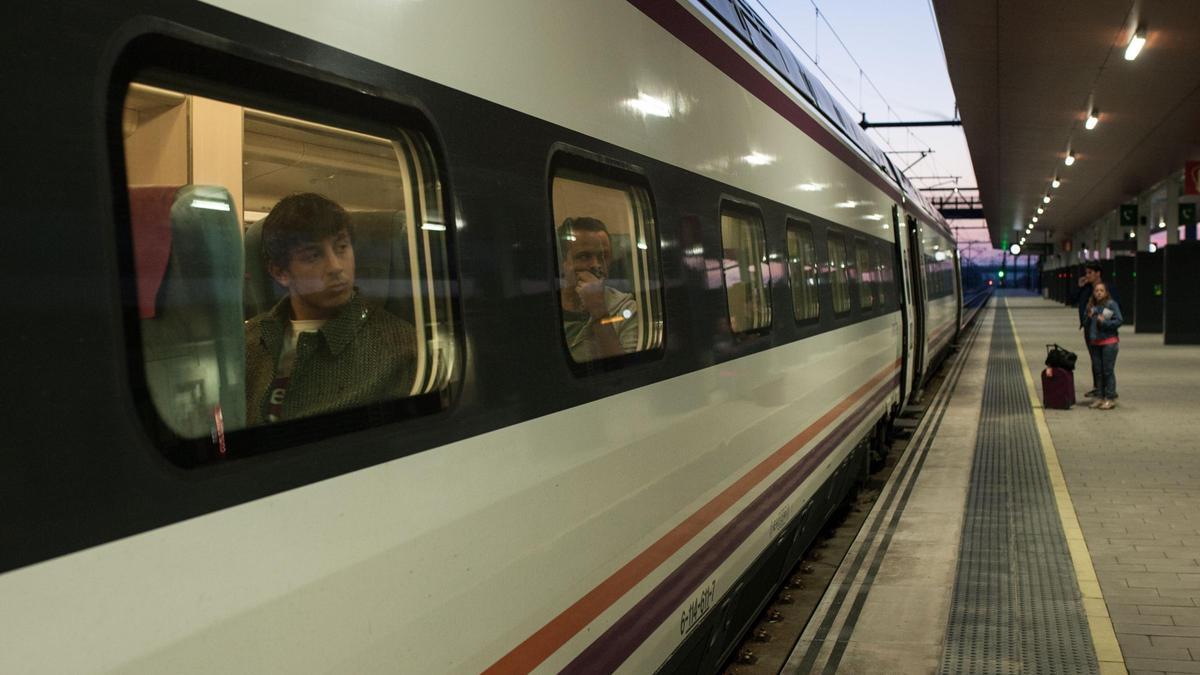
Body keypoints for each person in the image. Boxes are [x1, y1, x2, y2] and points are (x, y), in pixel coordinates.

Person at [245, 193, 416, 424]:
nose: (336, 267)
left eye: (342, 247)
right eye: (313, 256)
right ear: (280, 272)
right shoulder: (248, 343)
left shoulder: (401, 349)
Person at [557, 216, 639, 362]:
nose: (596, 265)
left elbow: (625, 370)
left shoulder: (625, 308)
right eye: (584, 256)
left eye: (602, 256)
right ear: (564, 263)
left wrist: (599, 311)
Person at [1085, 281, 1122, 410]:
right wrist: (1089, 317)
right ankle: (1100, 397)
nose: (1099, 293)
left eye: (1101, 290)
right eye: (1096, 291)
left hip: (1109, 342)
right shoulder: (1092, 306)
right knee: (1098, 371)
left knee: (1107, 371)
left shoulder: (1111, 305)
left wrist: (1105, 322)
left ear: (1106, 292)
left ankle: (1110, 398)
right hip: (1096, 342)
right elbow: (1088, 323)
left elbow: (1119, 320)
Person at [1072, 263, 1104, 398]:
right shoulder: (1086, 289)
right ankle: (1097, 387)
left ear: (1098, 273)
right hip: (1088, 328)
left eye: (1090, 272)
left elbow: (1116, 307)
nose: (1087, 275)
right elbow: (1072, 300)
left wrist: (1101, 318)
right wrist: (1079, 287)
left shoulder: (1106, 289)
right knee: (1094, 358)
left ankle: (1105, 390)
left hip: (1102, 329)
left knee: (1104, 360)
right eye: (1086, 273)